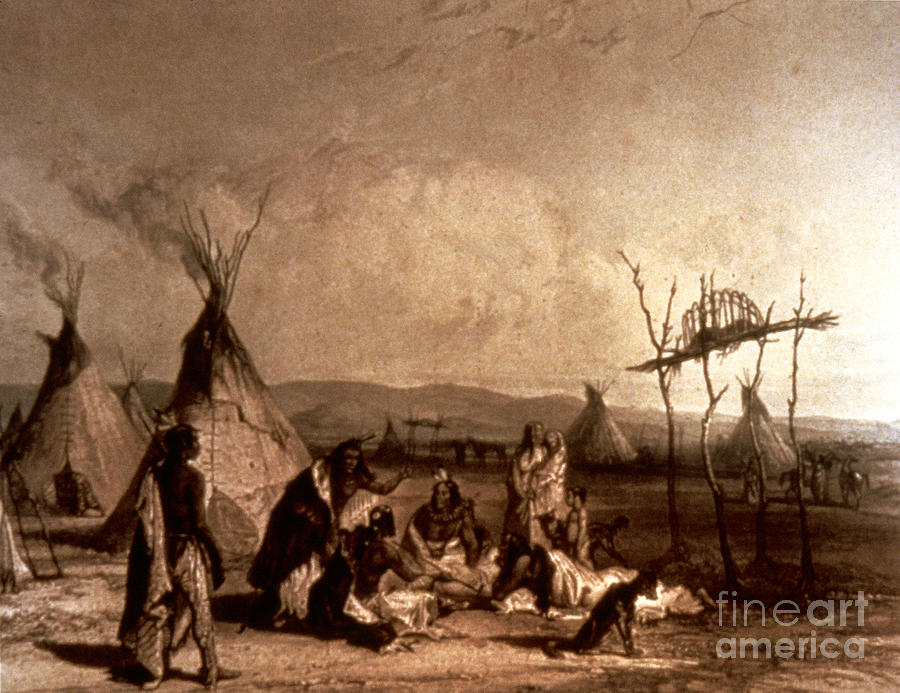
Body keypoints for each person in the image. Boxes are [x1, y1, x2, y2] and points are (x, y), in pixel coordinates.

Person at [118, 424, 237, 690]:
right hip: (185, 550)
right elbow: (199, 524)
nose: (200, 447)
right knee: (200, 607)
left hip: (157, 554)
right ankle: (209, 669)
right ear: (185, 448)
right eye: (196, 442)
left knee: (156, 609)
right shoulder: (192, 477)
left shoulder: (154, 474)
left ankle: (155, 670)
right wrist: (217, 558)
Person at [247, 439, 411, 626]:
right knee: (304, 563)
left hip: (332, 527)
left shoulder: (356, 478)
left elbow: (382, 488)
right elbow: (300, 495)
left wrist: (400, 476)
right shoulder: (325, 474)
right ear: (339, 457)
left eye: (355, 458)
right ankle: (291, 606)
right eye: (348, 457)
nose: (351, 462)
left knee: (331, 565)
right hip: (314, 525)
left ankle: (321, 605)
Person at [401, 470, 495, 604]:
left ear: (452, 496)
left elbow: (472, 544)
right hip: (427, 560)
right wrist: (426, 558)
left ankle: (445, 591)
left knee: (476, 586)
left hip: (455, 561)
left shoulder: (461, 515)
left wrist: (468, 570)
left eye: (444, 493)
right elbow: (413, 539)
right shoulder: (425, 513)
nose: (439, 497)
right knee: (430, 579)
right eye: (437, 493)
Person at [543, 569, 658, 657]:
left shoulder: (629, 598)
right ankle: (584, 648)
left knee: (609, 630)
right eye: (647, 588)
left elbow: (625, 621)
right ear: (642, 583)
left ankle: (580, 646)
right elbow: (620, 620)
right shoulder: (618, 591)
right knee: (584, 640)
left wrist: (629, 646)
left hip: (601, 627)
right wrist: (629, 647)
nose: (646, 592)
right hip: (594, 628)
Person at [502, 421, 546, 543]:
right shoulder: (521, 452)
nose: (536, 436)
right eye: (533, 434)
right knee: (516, 519)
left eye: (539, 433)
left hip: (539, 490)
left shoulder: (544, 451)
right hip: (521, 489)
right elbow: (515, 474)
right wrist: (521, 492)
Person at [530, 430, 567, 548]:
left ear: (557, 439)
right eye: (548, 439)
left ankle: (554, 534)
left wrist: (541, 475)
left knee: (552, 509)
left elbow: (554, 469)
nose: (550, 441)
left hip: (553, 483)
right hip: (545, 481)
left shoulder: (560, 452)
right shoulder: (548, 452)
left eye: (553, 438)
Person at [565, 487, 591, 568]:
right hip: (572, 543)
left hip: (580, 543)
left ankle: (593, 576)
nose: (567, 499)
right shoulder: (572, 512)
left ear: (577, 498)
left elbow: (583, 528)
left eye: (569, 496)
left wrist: (579, 544)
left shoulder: (582, 512)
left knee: (582, 559)